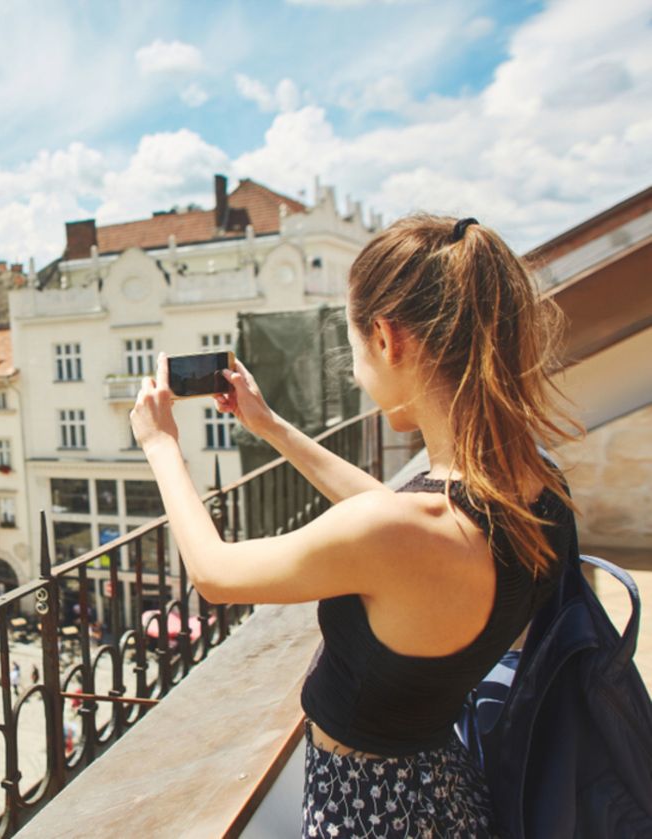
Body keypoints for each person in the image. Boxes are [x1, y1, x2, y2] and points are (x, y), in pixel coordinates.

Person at [128, 215, 580, 837]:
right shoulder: (537, 490)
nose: (359, 371)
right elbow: (399, 516)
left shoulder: (403, 532)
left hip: (370, 808)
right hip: (448, 789)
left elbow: (215, 574)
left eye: (355, 348)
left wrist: (159, 445)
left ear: (388, 340)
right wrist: (271, 426)